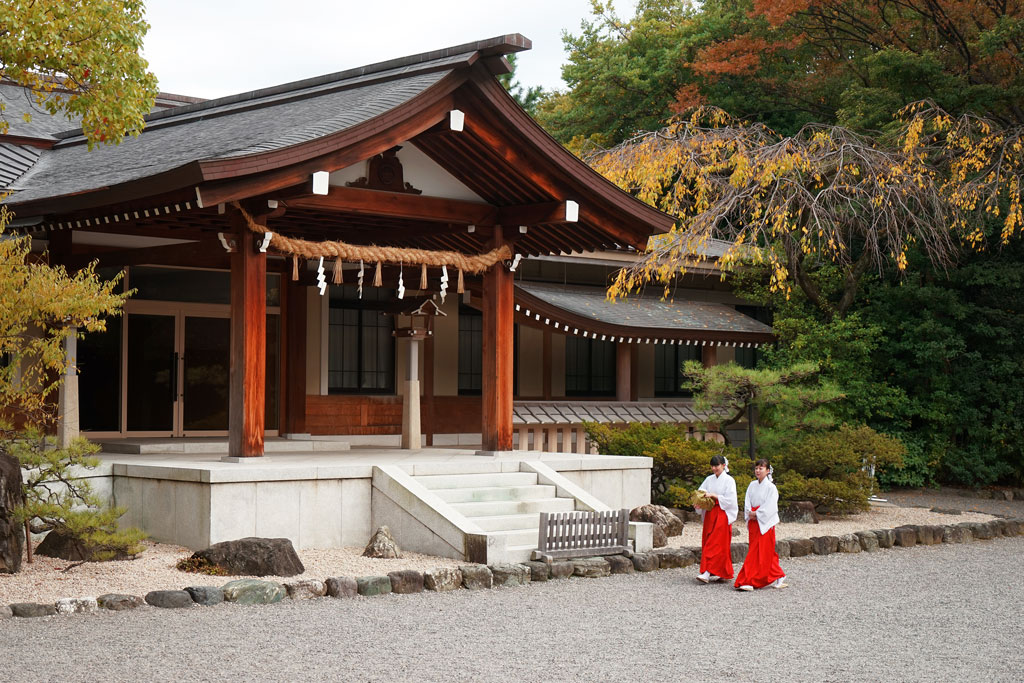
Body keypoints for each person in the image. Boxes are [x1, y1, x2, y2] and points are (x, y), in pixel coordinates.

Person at [734, 459, 788, 590]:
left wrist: (757, 513)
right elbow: (747, 501)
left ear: (768, 470)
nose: (758, 471)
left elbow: (771, 506)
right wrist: (749, 512)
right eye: (756, 468)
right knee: (761, 551)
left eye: (761, 468)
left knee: (760, 551)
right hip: (754, 521)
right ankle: (778, 575)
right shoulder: (752, 485)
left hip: (765, 522)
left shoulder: (771, 487)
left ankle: (749, 580)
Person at [695, 454, 738, 583]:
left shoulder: (729, 480)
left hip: (722, 513)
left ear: (724, 466)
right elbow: (701, 491)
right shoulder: (709, 479)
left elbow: (731, 500)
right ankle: (723, 571)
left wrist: (714, 495)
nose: (714, 468)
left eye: (717, 465)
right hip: (710, 513)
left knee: (716, 543)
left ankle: (707, 572)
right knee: (709, 540)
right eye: (712, 466)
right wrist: (699, 500)